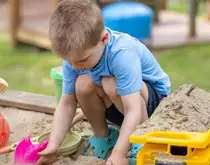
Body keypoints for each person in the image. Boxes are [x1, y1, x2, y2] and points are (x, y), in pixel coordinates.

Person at [35, 0, 171, 164]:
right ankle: (103, 137)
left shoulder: (121, 54)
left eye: (82, 60)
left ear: (104, 39)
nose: (75, 66)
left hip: (152, 106)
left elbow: (133, 108)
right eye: (70, 62)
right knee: (82, 83)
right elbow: (67, 104)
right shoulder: (75, 56)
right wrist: (54, 144)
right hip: (120, 108)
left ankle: (137, 140)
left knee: (109, 82)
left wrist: (120, 153)